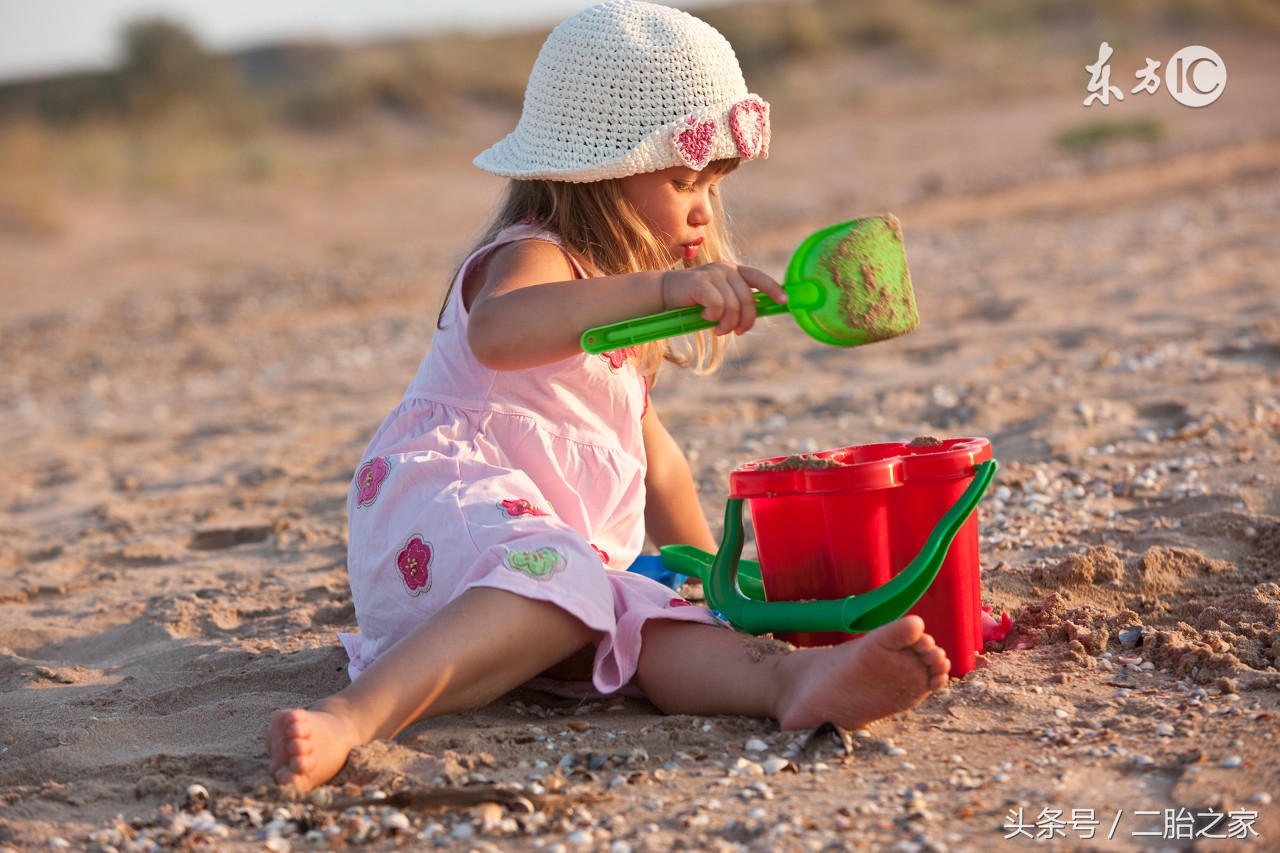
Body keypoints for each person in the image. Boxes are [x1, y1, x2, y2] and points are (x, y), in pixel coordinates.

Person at [268, 0, 949, 792]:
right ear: (596, 173)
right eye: (682, 178)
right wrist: (659, 284)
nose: (704, 208)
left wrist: (702, 580)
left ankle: (788, 682)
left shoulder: (632, 325)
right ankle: (350, 717)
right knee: (568, 573)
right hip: (443, 511)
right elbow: (499, 332)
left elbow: (655, 459)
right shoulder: (532, 256)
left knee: (655, 614)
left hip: (555, 567)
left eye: (715, 185)